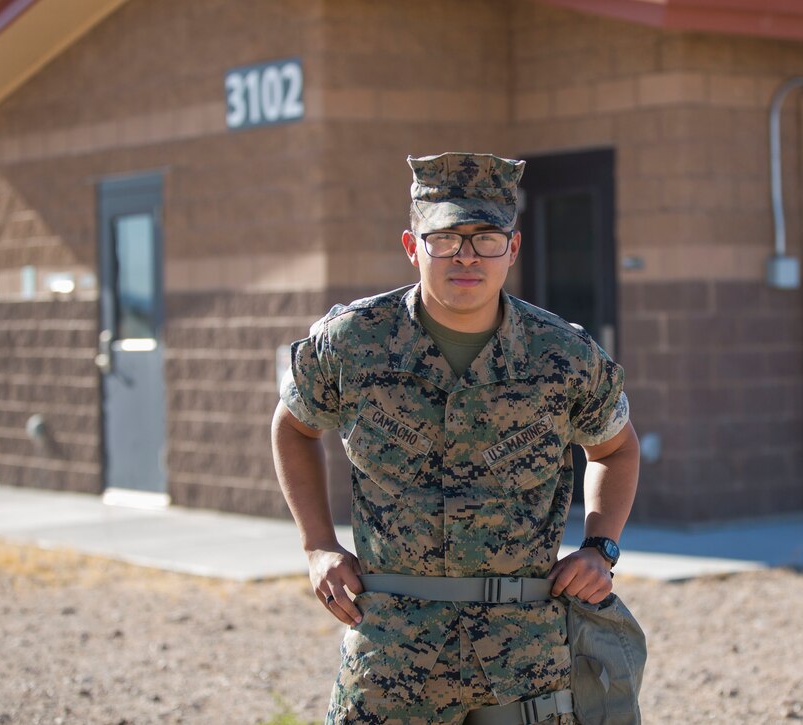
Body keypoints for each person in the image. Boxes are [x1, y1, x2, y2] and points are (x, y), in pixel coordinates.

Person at [271, 152, 639, 724]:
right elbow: (293, 428)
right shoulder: (352, 343)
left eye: (486, 238)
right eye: (445, 238)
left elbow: (614, 448)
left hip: (523, 658)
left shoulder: (563, 355)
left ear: (512, 250)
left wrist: (601, 548)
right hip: (393, 654)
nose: (466, 256)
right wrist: (318, 545)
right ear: (412, 246)